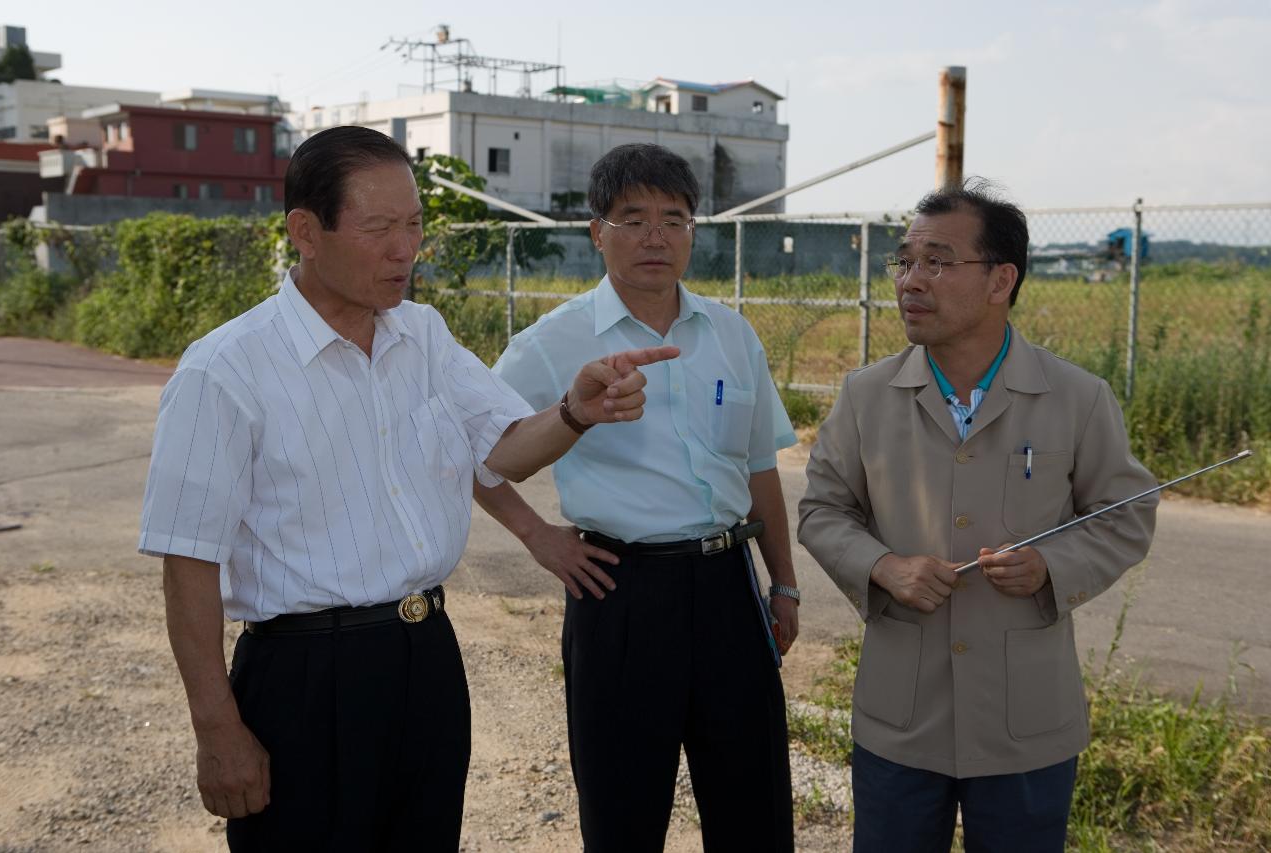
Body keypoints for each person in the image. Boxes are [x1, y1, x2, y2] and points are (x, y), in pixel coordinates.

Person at [138, 125, 677, 851]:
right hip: (304, 677)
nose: (405, 249)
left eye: (416, 224)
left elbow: (508, 450)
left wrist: (577, 411)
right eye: (379, 228)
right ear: (306, 230)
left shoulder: (421, 335)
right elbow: (189, 557)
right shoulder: (227, 371)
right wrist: (216, 726)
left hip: (424, 658)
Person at [797, 180, 1158, 852]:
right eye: (904, 262)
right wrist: (884, 566)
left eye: (937, 261)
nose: (911, 281)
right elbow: (823, 510)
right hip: (901, 717)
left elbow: (1124, 513)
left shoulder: (1076, 397)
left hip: (1026, 720)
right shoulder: (866, 396)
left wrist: (1052, 564)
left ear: (1001, 280)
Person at [472, 142, 799, 852]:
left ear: (694, 232)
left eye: (674, 219)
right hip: (620, 593)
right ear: (597, 232)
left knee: (757, 810)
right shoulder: (551, 342)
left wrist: (787, 585)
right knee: (624, 813)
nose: (656, 236)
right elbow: (480, 456)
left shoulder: (732, 335)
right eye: (633, 219)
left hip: (727, 589)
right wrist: (539, 535)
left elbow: (758, 468)